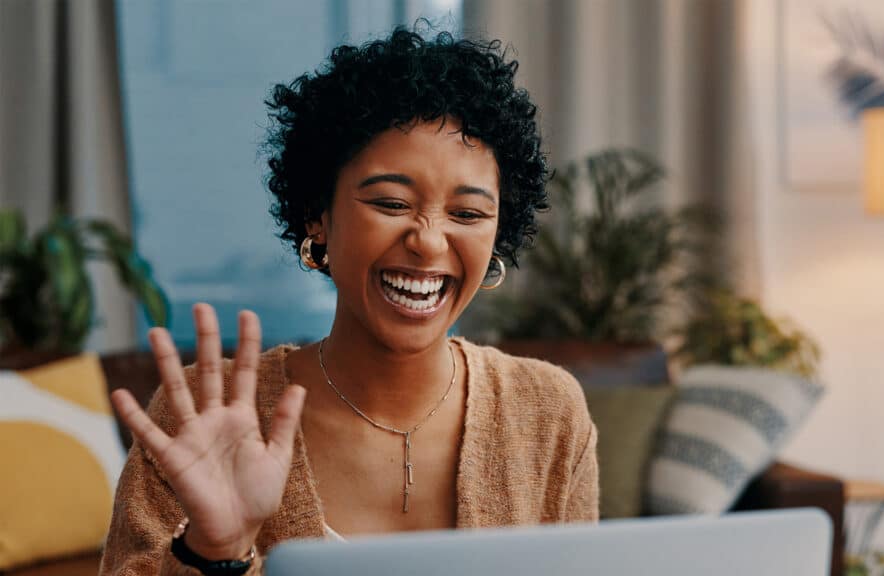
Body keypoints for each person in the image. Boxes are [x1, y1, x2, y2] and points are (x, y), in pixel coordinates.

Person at [99, 27, 598, 575]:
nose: (429, 241)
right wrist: (215, 553)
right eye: (391, 201)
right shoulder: (200, 414)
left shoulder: (548, 411)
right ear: (319, 214)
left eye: (467, 214)